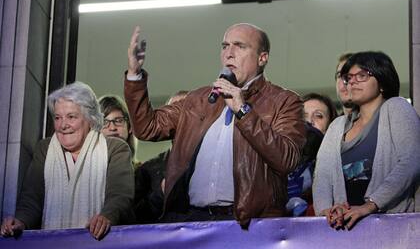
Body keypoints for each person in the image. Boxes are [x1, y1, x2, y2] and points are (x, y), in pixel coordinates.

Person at [124, 23, 306, 227]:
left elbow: (287, 158)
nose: (229, 53)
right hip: (191, 220)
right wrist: (134, 75)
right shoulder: (198, 99)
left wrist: (243, 110)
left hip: (245, 225)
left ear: (262, 58)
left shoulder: (284, 102)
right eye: (225, 46)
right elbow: (147, 127)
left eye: (239, 46)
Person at [1, 82, 134, 240]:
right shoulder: (44, 149)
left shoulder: (115, 148)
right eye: (58, 118)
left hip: (99, 241)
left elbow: (120, 196)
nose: (63, 125)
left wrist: (106, 217)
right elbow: (31, 198)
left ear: (91, 119)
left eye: (71, 117)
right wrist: (20, 221)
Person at [313, 51, 420, 230]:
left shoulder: (397, 108)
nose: (352, 81)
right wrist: (327, 211)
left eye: (362, 75)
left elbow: (412, 161)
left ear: (382, 81)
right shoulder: (337, 126)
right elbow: (322, 176)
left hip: (392, 226)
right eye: (349, 77)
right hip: (344, 228)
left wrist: (370, 205)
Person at [134, 90, 189, 224]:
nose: (178, 118)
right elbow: (136, 216)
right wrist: (160, 194)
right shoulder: (147, 170)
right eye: (173, 112)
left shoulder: (214, 163)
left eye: (186, 111)